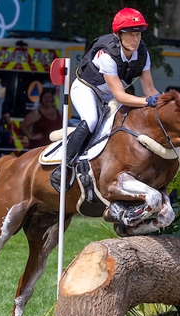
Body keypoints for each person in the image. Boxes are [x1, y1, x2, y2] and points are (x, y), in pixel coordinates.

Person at [52, 7, 160, 188]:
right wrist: (146, 102)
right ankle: (64, 166)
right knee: (92, 120)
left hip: (108, 95)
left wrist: (164, 103)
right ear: (119, 35)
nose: (136, 39)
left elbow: (149, 88)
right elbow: (120, 95)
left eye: (139, 34)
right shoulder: (107, 55)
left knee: (125, 124)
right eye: (130, 34)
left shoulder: (143, 54)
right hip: (86, 89)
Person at [21, 85, 61, 150]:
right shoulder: (36, 113)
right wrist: (32, 137)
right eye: (45, 97)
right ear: (41, 99)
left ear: (52, 99)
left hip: (54, 148)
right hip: (38, 148)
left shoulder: (59, 112)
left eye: (49, 97)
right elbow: (23, 125)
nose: (47, 99)